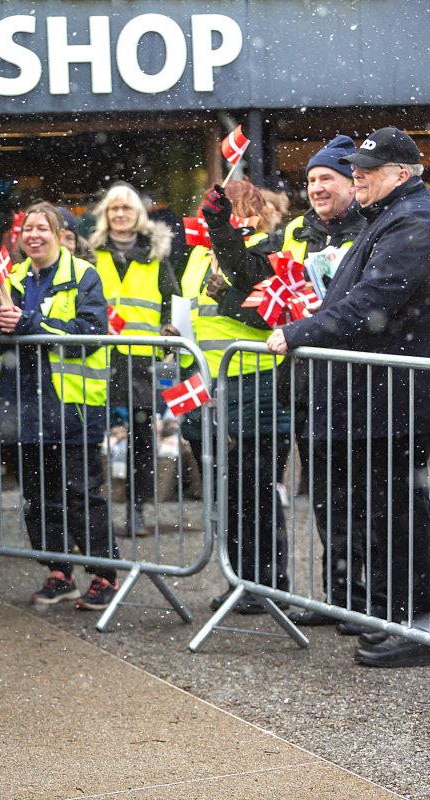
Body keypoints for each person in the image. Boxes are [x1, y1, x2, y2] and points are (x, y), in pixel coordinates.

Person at [267, 127, 430, 667]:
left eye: (367, 170)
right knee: (389, 513)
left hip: (401, 401)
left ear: (402, 174)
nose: (356, 177)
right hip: (384, 401)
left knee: (404, 515)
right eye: (354, 169)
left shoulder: (413, 219)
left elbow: (376, 298)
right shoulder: (388, 216)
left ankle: (417, 623)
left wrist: (301, 331)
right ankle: (401, 617)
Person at [0, 202, 120, 610]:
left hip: (72, 406)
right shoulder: (12, 277)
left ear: (61, 235)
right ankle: (59, 572)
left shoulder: (84, 275)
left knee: (81, 493)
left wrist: (29, 324)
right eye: (28, 229)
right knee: (38, 496)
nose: (34, 236)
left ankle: (105, 574)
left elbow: (90, 332)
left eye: (43, 228)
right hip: (23, 405)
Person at [177, 179, 290, 614]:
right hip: (208, 386)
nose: (211, 220)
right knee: (227, 493)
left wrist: (228, 298)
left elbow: (268, 315)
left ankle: (266, 582)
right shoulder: (200, 256)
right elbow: (195, 310)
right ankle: (241, 578)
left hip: (254, 384)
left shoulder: (265, 250)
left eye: (221, 212)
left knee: (255, 491)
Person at [270, 136, 369, 629]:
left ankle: (371, 600)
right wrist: (224, 235)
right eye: (310, 180)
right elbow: (262, 281)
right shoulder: (296, 231)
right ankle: (340, 596)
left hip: (356, 383)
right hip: (309, 385)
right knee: (326, 496)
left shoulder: (372, 228)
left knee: (362, 496)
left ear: (352, 182)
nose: (316, 188)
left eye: (326, 177)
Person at [88, 183, 179, 537]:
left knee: (142, 441)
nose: (120, 214)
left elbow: (171, 300)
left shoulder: (156, 255)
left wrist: (168, 328)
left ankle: (136, 511)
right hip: (101, 360)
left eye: (126, 208)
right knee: (95, 436)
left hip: (141, 362)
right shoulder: (92, 253)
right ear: (106, 215)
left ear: (138, 214)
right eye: (114, 209)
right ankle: (95, 510)